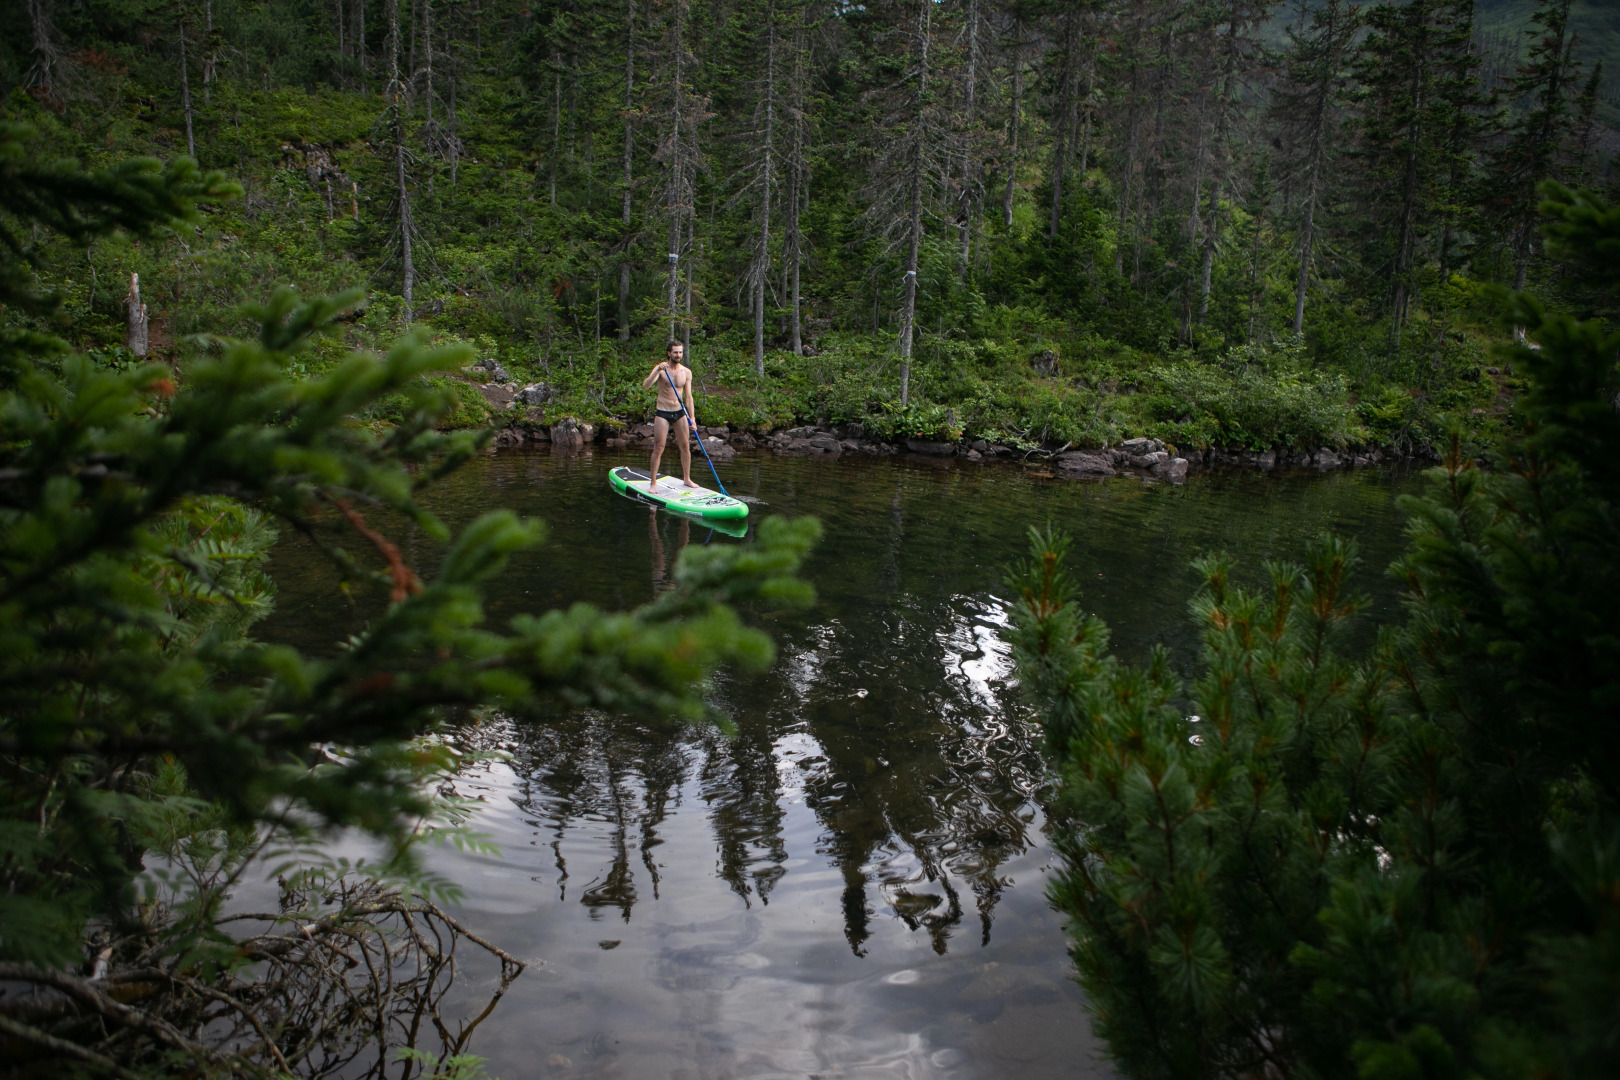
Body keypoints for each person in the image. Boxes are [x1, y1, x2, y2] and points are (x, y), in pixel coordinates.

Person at [641, 341, 696, 493]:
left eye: (680, 352)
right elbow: (645, 386)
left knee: (685, 446)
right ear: (669, 353)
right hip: (663, 412)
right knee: (659, 447)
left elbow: (689, 397)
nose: (678, 355)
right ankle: (653, 483)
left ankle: (687, 478)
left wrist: (692, 418)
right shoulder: (661, 370)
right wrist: (656, 370)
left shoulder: (686, 372)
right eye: (675, 352)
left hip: (679, 413)